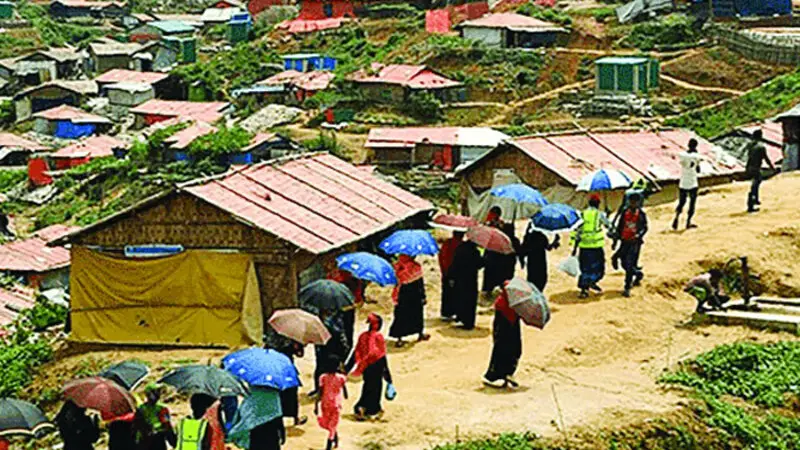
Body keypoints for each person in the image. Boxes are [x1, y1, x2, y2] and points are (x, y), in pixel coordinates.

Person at [345, 313, 394, 421]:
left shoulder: (363, 336)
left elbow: (356, 353)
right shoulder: (378, 337)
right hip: (377, 366)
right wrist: (388, 376)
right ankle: (368, 409)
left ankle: (364, 408)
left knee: (368, 387)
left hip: (366, 367)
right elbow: (381, 355)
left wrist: (347, 368)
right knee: (375, 389)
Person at [571, 195, 612, 299]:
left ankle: (584, 289)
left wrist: (574, 247)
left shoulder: (582, 214)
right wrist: (608, 215)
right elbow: (609, 226)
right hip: (596, 246)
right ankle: (592, 281)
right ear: (598, 204)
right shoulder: (599, 214)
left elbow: (578, 231)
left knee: (585, 268)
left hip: (584, 246)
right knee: (598, 267)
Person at [483, 283, 522, 389]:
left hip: (508, 330)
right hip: (506, 330)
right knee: (505, 351)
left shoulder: (506, 303)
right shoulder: (506, 304)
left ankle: (505, 374)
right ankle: (498, 375)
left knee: (510, 350)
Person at [389, 254, 430, 347]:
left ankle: (399, 338)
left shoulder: (398, 267)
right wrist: (423, 296)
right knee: (417, 314)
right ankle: (420, 333)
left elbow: (395, 282)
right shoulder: (416, 267)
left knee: (401, 315)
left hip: (402, 294)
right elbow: (420, 284)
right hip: (414, 295)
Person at [614, 192, 648, 298]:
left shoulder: (641, 214)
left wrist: (639, 234)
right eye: (631, 202)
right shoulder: (625, 213)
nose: (632, 204)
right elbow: (620, 226)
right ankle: (637, 273)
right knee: (623, 262)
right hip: (624, 241)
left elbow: (645, 227)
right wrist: (615, 240)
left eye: (635, 202)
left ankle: (627, 287)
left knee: (629, 264)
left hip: (635, 243)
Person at [481, 207, 519, 298]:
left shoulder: (500, 225)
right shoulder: (490, 224)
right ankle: (491, 290)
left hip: (496, 253)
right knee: (493, 272)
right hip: (494, 252)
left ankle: (494, 290)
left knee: (493, 272)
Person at [310, 311, 350, 397]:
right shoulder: (335, 323)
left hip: (329, 352)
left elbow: (342, 342)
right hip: (326, 352)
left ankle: (323, 391)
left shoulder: (333, 325)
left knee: (325, 373)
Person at [450, 238, 484, 330]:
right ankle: (469, 322)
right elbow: (479, 265)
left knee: (461, 298)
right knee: (470, 301)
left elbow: (454, 263)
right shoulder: (475, 252)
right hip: (471, 280)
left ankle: (461, 317)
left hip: (460, 279)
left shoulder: (460, 249)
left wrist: (452, 277)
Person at [316, 356, 348, 450]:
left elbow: (320, 392)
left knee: (329, 424)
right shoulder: (341, 378)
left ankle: (329, 445)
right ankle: (334, 438)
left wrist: (316, 404)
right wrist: (345, 395)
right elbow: (344, 389)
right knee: (332, 425)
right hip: (336, 404)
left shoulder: (322, 377)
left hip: (325, 404)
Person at [133, 383, 176, 450]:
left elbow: (167, 426)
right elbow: (137, 425)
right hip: (148, 440)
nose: (158, 394)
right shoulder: (142, 409)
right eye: (156, 392)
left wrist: (172, 441)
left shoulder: (161, 408)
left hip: (155, 439)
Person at [519, 223, 560, 292]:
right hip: (541, 262)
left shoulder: (528, 237)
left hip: (531, 263)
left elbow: (523, 251)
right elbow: (548, 248)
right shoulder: (541, 237)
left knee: (532, 280)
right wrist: (555, 241)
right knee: (541, 280)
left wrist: (522, 261)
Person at [277, 340, 308, 427]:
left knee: (277, 392)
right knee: (291, 393)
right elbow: (300, 354)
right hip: (287, 367)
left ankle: (278, 419)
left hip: (274, 366)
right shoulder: (293, 336)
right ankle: (295, 418)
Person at [673, 138, 702, 230]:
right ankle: (688, 222)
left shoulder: (683, 155)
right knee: (692, 202)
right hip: (692, 181)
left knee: (682, 202)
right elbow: (698, 170)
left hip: (683, 181)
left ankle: (676, 217)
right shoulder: (696, 156)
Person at [746, 129, 776, 213]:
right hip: (756, 168)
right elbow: (766, 158)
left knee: (755, 183)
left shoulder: (750, 145)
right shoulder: (761, 147)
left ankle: (755, 199)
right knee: (755, 184)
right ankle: (751, 204)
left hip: (749, 167)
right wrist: (772, 167)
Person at [438, 230, 463, 320]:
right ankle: (454, 312)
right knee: (457, 293)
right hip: (457, 273)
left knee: (446, 293)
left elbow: (441, 257)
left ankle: (446, 313)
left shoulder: (447, 243)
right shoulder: (461, 246)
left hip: (446, 271)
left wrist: (443, 270)